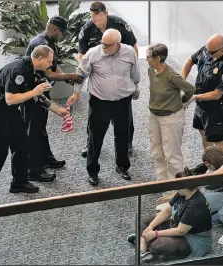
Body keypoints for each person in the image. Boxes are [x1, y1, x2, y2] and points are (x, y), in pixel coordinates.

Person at [0, 45, 68, 206]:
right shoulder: (18, 70)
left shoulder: (33, 69)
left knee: (22, 143)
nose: (51, 65)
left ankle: (19, 182)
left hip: (11, 110)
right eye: (49, 61)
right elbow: (10, 98)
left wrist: (56, 109)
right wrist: (35, 92)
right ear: (39, 59)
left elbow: (37, 94)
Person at [67, 29, 140, 186]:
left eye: (107, 45)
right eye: (102, 43)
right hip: (100, 102)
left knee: (122, 135)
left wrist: (136, 87)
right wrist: (75, 93)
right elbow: (80, 74)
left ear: (117, 44)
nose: (104, 47)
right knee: (95, 138)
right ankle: (93, 171)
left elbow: (135, 73)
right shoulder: (93, 53)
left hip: (123, 102)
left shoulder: (129, 53)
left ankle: (122, 167)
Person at [23, 16, 83, 182]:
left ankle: (46, 158)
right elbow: (48, 73)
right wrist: (71, 75)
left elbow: (54, 66)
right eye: (62, 33)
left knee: (40, 129)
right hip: (33, 94)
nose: (63, 37)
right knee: (33, 131)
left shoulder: (48, 41)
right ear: (56, 29)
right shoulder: (40, 44)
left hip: (42, 89)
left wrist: (65, 77)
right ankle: (34, 170)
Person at [78, 1, 139, 158]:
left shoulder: (120, 25)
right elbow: (82, 54)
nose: (95, 21)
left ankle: (127, 144)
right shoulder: (87, 29)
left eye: (98, 18)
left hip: (121, 77)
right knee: (94, 119)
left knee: (125, 119)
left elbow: (134, 49)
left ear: (106, 13)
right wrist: (86, 72)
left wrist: (129, 76)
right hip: (99, 79)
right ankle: (89, 142)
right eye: (92, 18)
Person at [157, 146, 223, 229]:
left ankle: (221, 218)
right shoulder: (218, 167)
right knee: (203, 196)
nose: (209, 169)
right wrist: (176, 196)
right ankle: (179, 214)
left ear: (214, 159)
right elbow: (201, 183)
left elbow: (207, 178)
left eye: (209, 166)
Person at [127, 171, 212, 264]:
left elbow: (181, 231)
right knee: (143, 221)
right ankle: (143, 251)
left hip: (194, 240)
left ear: (184, 186)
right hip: (177, 226)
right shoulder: (181, 193)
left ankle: (144, 240)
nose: (174, 187)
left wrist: (155, 233)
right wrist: (150, 227)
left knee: (158, 245)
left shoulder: (195, 204)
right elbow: (167, 211)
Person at [146, 43, 195, 181]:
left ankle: (174, 187)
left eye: (149, 57)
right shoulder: (151, 70)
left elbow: (190, 89)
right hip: (154, 115)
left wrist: (180, 102)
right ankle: (162, 181)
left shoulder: (171, 76)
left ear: (159, 58)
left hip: (170, 118)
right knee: (157, 151)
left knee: (172, 154)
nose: (146, 60)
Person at [181, 34, 223, 150]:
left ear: (222, 49)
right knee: (203, 132)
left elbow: (217, 94)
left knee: (218, 140)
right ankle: (209, 163)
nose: (208, 54)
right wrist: (183, 80)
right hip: (202, 102)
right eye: (207, 50)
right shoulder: (209, 49)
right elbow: (190, 60)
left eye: (211, 52)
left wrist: (194, 98)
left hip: (216, 107)